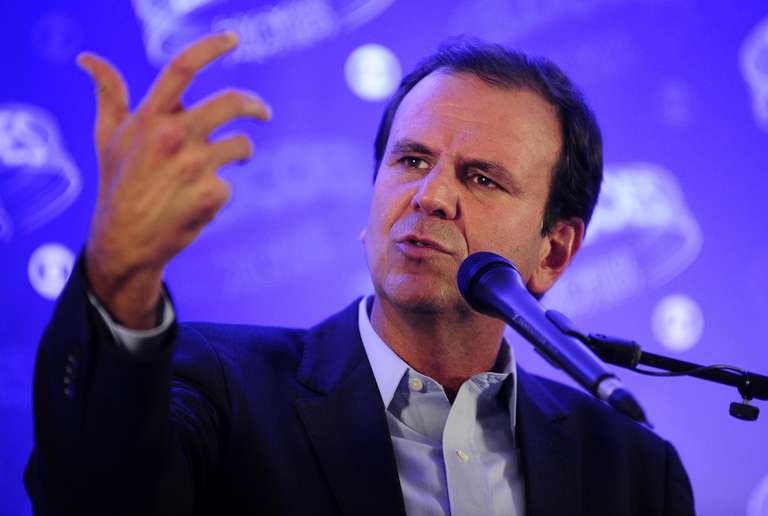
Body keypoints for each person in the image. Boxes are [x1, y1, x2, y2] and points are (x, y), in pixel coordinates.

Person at [25, 32, 695, 515]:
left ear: (553, 252)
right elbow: (95, 496)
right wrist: (117, 275)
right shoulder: (216, 386)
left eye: (481, 178)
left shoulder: (633, 471)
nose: (429, 195)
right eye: (409, 161)